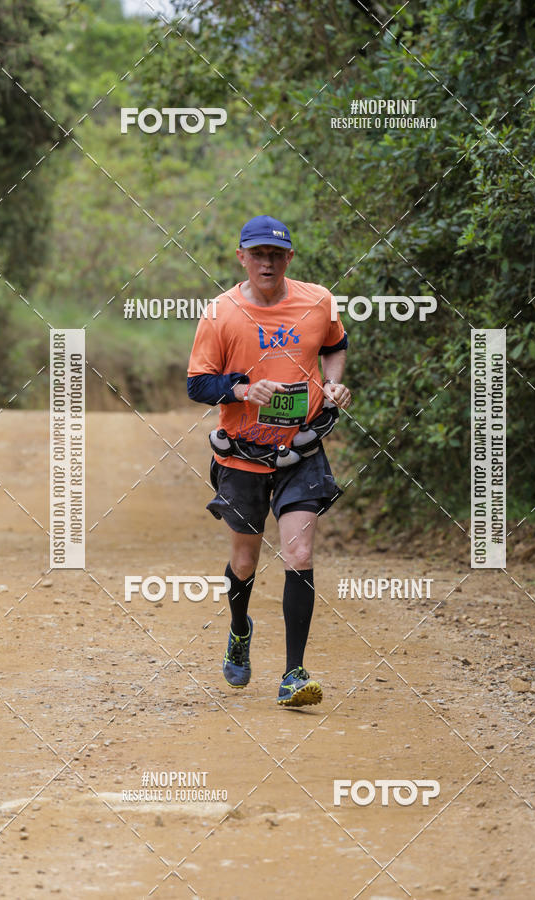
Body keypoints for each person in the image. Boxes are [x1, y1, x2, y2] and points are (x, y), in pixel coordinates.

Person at [187, 215, 351, 707]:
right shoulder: (221, 313)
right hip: (243, 453)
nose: (267, 262)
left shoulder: (318, 301)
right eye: (258, 254)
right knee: (245, 560)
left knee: (299, 554)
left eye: (276, 255)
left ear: (289, 259)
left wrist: (335, 383)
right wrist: (242, 388)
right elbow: (197, 384)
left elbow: (336, 345)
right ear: (242, 257)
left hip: (302, 448)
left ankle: (294, 674)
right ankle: (240, 629)